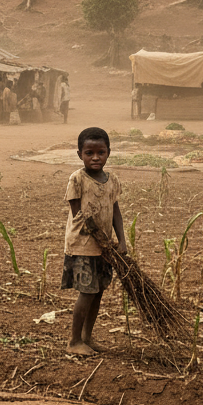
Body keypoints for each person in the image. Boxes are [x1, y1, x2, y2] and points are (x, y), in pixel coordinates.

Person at [63, 127, 128, 355]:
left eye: (101, 152)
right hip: (83, 246)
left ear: (109, 152)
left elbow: (115, 211)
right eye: (89, 153)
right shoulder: (77, 179)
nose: (95, 157)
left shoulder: (112, 180)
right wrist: (99, 238)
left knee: (98, 291)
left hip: (105, 248)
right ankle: (73, 341)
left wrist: (121, 241)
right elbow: (79, 214)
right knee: (87, 292)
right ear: (79, 154)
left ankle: (86, 338)